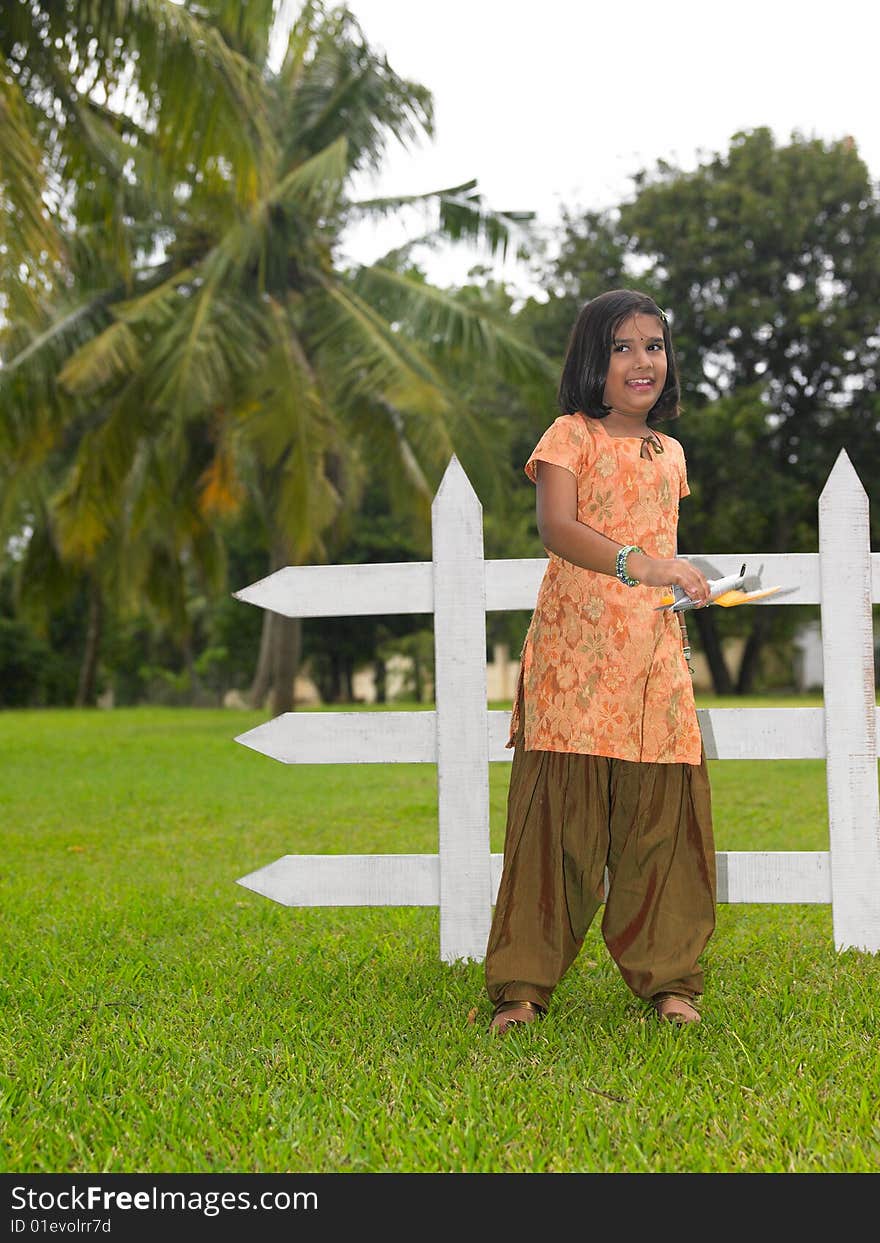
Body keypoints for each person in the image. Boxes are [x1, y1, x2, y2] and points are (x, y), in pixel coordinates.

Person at [485, 288, 717, 1034]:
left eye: (654, 345)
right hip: (576, 666)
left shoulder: (670, 452)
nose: (642, 361)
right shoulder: (569, 436)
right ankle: (522, 988)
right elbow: (558, 527)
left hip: (653, 666)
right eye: (622, 347)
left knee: (662, 831)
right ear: (594, 359)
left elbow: (662, 543)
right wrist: (640, 565)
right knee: (556, 834)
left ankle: (671, 982)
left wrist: (685, 580)